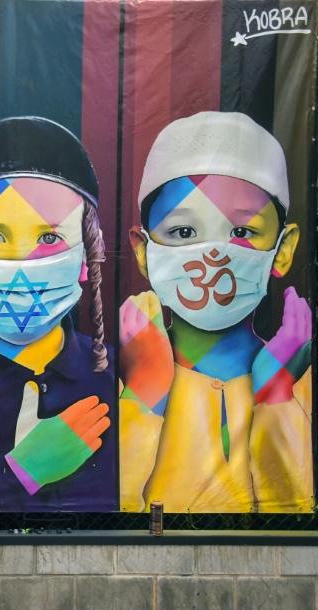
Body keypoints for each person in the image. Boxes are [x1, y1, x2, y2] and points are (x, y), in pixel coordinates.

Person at [120, 111, 312, 513]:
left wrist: (276, 394)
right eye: (183, 232)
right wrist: (143, 393)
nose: (213, 255)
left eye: (241, 232)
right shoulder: (110, 378)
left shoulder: (304, 386)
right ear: (143, 251)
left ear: (283, 250)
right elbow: (102, 518)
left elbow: (297, 520)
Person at [0, 117, 116, 511]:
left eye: (49, 237)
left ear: (87, 255)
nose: (20, 264)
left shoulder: (118, 380)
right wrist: (23, 472)